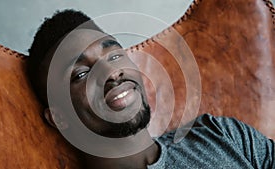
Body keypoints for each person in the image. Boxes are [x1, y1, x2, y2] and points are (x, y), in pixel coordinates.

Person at [27, 9, 275, 169]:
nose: (111, 73)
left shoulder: (221, 135)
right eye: (80, 74)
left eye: (114, 55)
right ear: (59, 118)